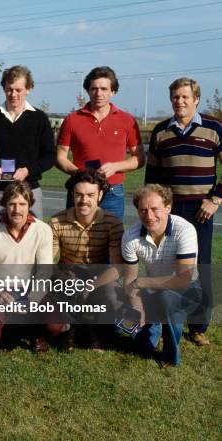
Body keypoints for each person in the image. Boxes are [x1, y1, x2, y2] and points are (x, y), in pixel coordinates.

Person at [145, 77, 222, 347]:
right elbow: (152, 175)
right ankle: (163, 318)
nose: (179, 101)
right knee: (165, 265)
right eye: (175, 97)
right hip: (169, 211)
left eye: (185, 97)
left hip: (202, 210)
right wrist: (152, 211)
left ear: (196, 99)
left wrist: (215, 199)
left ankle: (199, 326)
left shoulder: (214, 128)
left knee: (200, 268)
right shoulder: (161, 131)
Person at [122, 184, 200, 367]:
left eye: (154, 209)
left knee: (167, 298)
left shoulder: (185, 230)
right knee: (140, 345)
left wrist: (141, 282)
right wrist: (137, 307)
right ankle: (154, 323)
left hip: (187, 290)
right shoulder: (131, 236)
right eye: (143, 210)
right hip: (152, 289)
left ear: (168, 207)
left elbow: (183, 280)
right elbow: (128, 280)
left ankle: (170, 356)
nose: (149, 216)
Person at [57, 66, 145, 220]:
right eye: (94, 89)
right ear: (88, 90)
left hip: (112, 192)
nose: (99, 93)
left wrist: (116, 166)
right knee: (73, 239)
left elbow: (139, 158)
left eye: (104, 89)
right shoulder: (72, 119)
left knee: (113, 241)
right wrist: (79, 174)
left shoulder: (127, 120)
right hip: (80, 190)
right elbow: (59, 157)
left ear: (113, 91)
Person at [49, 169, 124, 351]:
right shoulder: (57, 221)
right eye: (79, 195)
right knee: (63, 284)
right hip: (69, 271)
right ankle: (68, 332)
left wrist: (91, 285)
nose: (84, 200)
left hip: (98, 273)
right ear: (72, 195)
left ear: (100, 195)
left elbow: (118, 268)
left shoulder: (112, 223)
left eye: (90, 195)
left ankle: (96, 331)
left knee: (112, 293)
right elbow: (48, 261)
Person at [0, 182, 53, 351]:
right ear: (4, 204)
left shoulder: (42, 230)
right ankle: (2, 333)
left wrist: (33, 300)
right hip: (1, 289)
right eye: (12, 204)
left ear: (30, 205)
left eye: (22, 204)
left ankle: (37, 333)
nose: (17, 210)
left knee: (55, 324)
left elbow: (45, 271)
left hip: (31, 288)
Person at [0, 66, 55, 221]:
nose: (13, 94)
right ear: (3, 88)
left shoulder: (39, 118)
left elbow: (50, 156)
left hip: (29, 192)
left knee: (33, 238)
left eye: (18, 90)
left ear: (28, 89)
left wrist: (28, 170)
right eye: (9, 89)